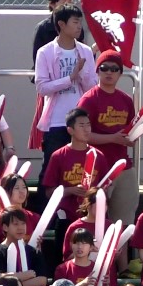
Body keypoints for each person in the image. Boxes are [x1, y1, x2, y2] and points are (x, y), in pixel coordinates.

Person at [34, 4, 98, 186]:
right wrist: (70, 78)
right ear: (61, 24)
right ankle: (46, 211)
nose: (79, 26)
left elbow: (92, 86)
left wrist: (82, 73)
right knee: (51, 169)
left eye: (80, 22)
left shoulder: (85, 51)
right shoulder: (45, 52)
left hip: (79, 119)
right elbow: (42, 87)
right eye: (75, 22)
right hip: (55, 120)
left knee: (79, 168)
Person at [77, 50, 138, 231]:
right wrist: (113, 138)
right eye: (104, 68)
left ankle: (124, 260)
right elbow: (82, 135)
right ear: (97, 71)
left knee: (124, 223)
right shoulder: (88, 100)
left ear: (120, 73)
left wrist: (130, 139)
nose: (109, 72)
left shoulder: (126, 100)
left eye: (114, 68)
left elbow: (131, 132)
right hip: (95, 168)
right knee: (93, 221)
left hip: (123, 168)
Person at [40, 108, 99, 266]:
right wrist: (71, 190)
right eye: (81, 125)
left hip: (91, 219)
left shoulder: (97, 156)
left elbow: (106, 187)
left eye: (88, 124)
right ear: (70, 130)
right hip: (65, 217)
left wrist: (93, 193)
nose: (86, 129)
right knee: (63, 262)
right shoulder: (59, 156)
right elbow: (49, 192)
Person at [0, 209, 48, 286]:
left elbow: (42, 280)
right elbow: (0, 278)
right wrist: (26, 275)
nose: (20, 228)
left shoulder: (34, 252)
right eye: (16, 224)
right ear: (5, 227)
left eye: (23, 223)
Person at [0, 173, 40, 258]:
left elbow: (37, 252)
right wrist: (8, 249)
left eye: (24, 187)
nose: (22, 191)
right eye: (16, 188)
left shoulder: (34, 217)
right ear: (6, 192)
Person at [31, 0, 88, 64]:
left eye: (70, 1)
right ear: (52, 4)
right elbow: (37, 59)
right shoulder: (43, 28)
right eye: (64, 2)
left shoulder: (76, 26)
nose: (68, 5)